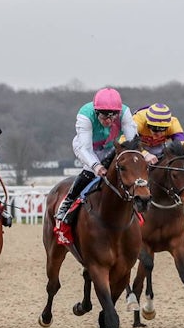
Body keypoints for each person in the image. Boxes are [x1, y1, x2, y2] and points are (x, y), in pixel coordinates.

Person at [53, 88, 139, 229]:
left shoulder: (124, 113)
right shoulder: (85, 115)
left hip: (111, 147)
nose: (109, 121)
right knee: (90, 171)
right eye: (104, 117)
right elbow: (85, 149)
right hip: (87, 147)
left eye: (113, 117)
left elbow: (132, 142)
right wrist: (96, 166)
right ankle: (67, 202)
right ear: (96, 112)